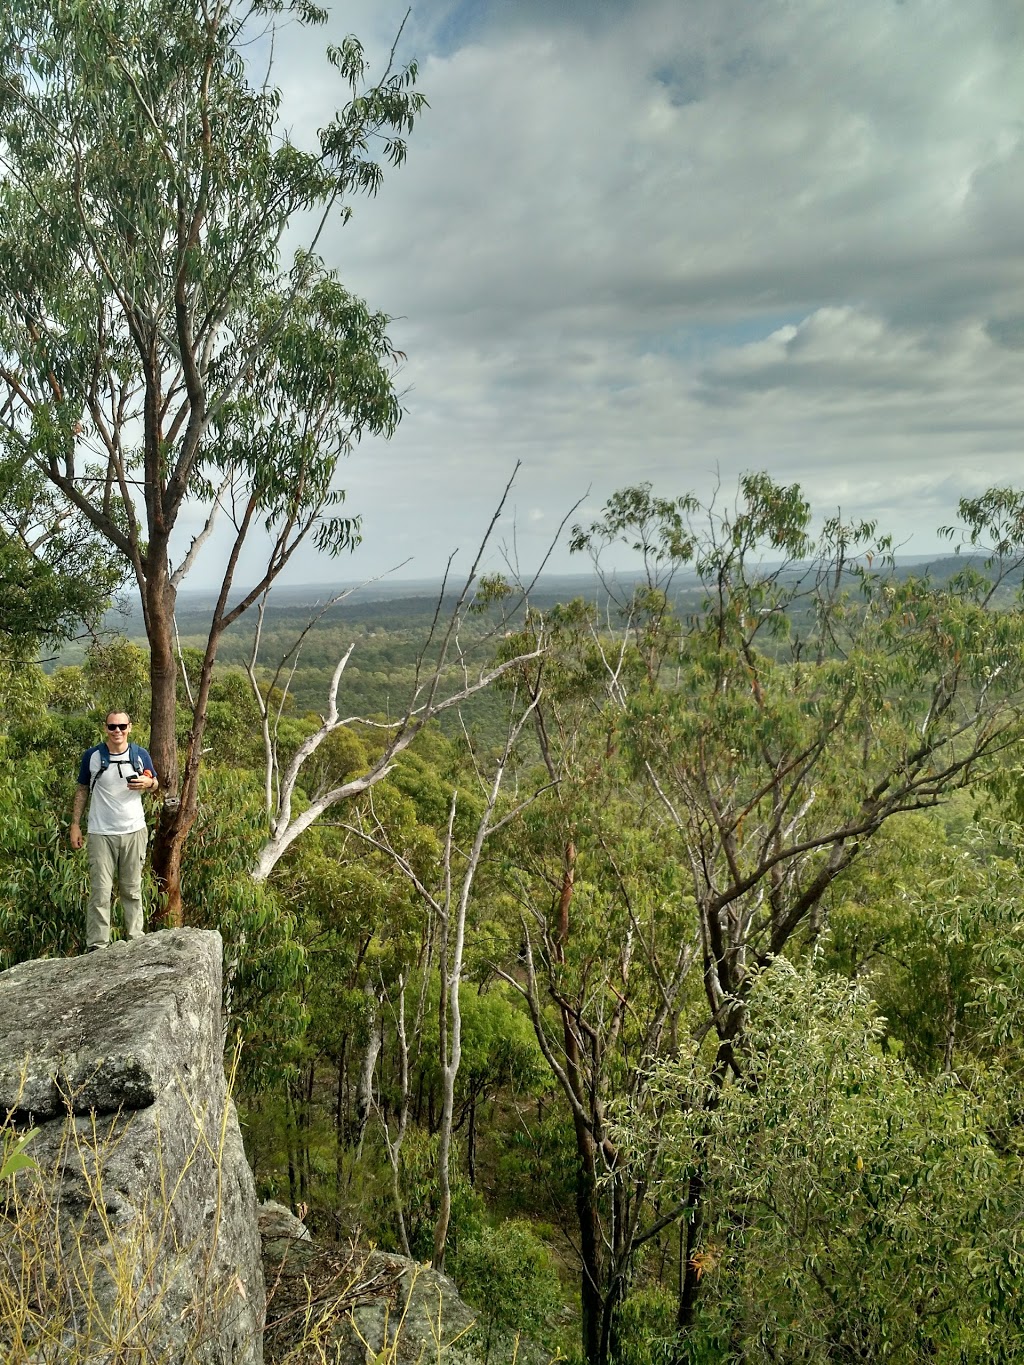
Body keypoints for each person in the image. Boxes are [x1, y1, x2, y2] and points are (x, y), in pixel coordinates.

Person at [70, 711, 159, 951]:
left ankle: (136, 940)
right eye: (112, 727)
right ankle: (97, 945)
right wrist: (75, 825)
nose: (117, 731)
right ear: (106, 728)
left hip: (134, 830)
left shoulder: (140, 755)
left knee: (132, 889)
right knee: (100, 892)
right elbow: (82, 789)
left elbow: (155, 782)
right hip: (100, 832)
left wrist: (148, 783)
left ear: (130, 727)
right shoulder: (93, 756)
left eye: (121, 726)